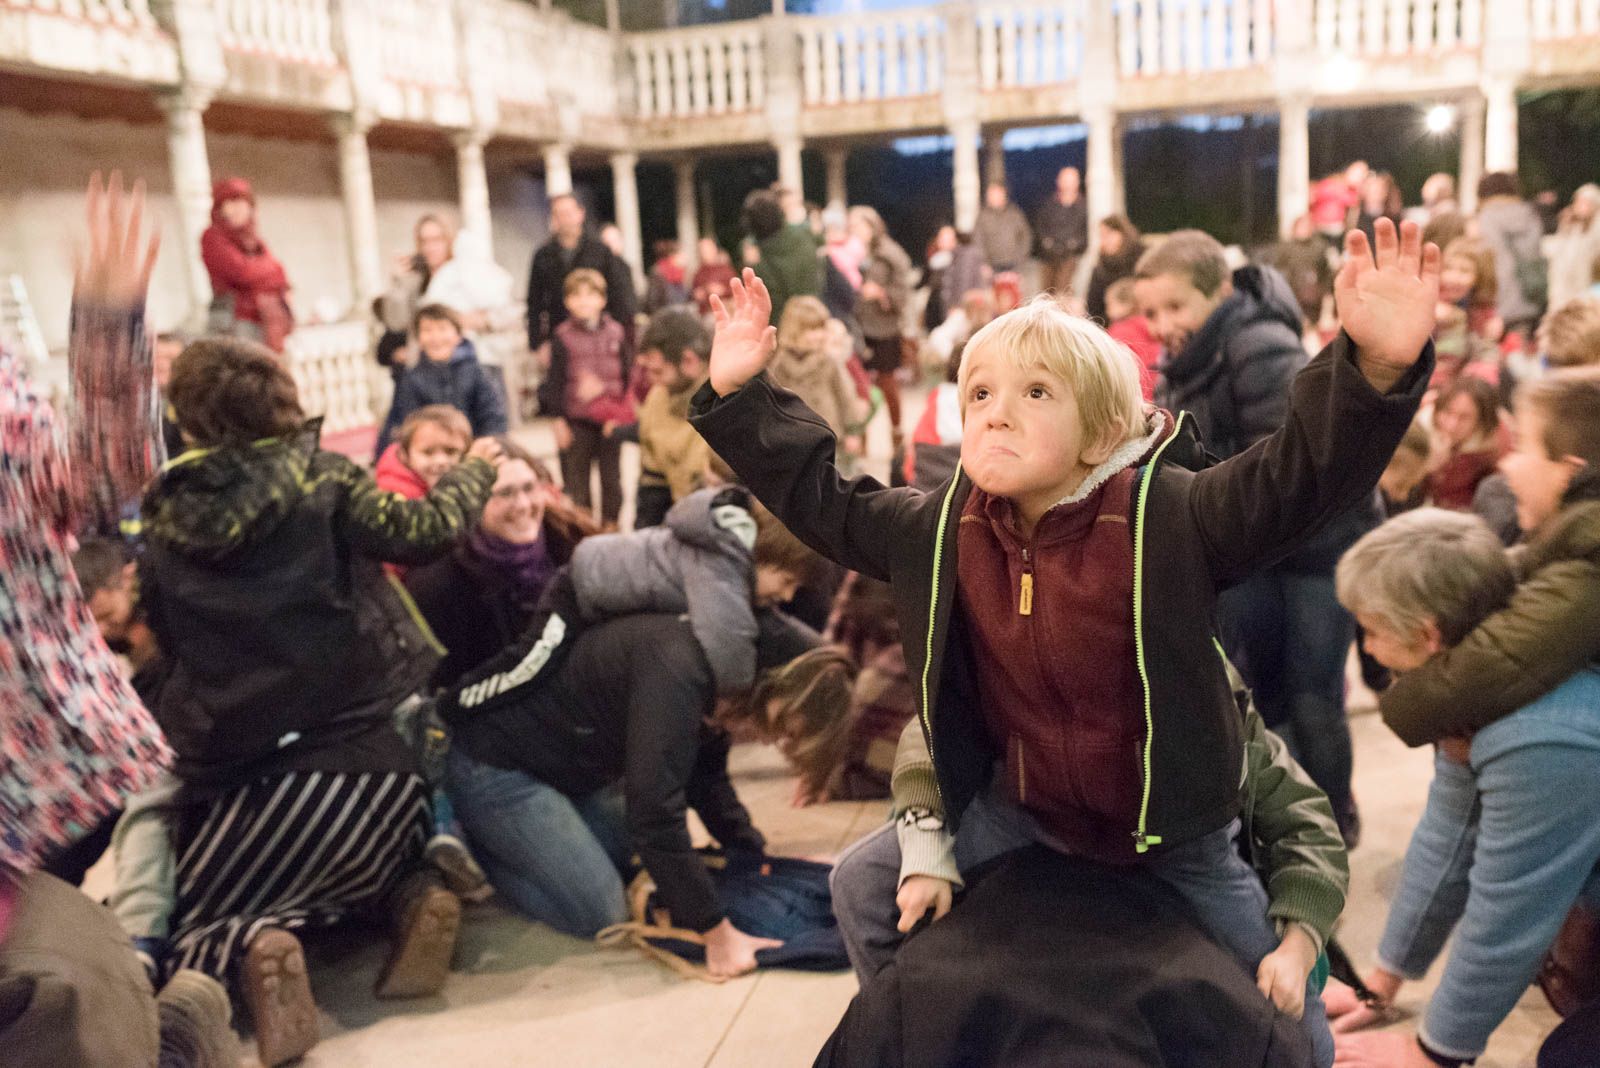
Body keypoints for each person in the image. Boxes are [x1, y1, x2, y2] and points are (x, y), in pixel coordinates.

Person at [690, 216, 1439, 1065]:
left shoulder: (1172, 515)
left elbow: (1296, 478)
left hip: (1174, 840)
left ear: (1098, 432)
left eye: (1035, 393)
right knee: (862, 885)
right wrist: (745, 400)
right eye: (979, 394)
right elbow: (824, 498)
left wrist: (1373, 370)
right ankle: (915, 1035)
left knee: (1286, 1009)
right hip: (1024, 812)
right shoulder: (941, 528)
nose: (996, 413)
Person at [138, 335, 501, 1065]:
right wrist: (471, 475)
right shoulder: (325, 478)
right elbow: (424, 530)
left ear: (192, 418)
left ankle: (256, 943)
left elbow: (163, 643)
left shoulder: (163, 515)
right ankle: (408, 894)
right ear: (280, 401)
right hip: (366, 774)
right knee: (407, 802)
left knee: (198, 909)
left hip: (240, 792)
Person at [3, 172, 228, 1068]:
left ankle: (160, 1031)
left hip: (38, 760)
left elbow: (101, 481)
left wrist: (107, 323)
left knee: (49, 1008)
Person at [1329, 476, 1600, 1067]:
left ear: (1427, 634)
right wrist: (1383, 982)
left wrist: (1434, 1053)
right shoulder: (1469, 696)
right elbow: (1445, 840)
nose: (1367, 649)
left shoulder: (1539, 733)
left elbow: (1511, 909)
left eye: (1372, 630)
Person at [407, 438, 594, 689]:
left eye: (529, 488)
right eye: (505, 493)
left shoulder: (573, 547)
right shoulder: (438, 584)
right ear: (473, 502)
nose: (523, 505)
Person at [1135, 229, 1305, 460]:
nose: (1162, 327)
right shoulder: (1177, 362)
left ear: (1222, 292)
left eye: (1175, 307)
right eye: (1150, 314)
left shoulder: (1261, 349)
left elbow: (1283, 465)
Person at [538, 268, 633, 527]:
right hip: (576, 420)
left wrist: (623, 415)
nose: (584, 302)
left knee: (611, 480)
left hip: (609, 421)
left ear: (602, 300)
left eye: (591, 295)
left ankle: (611, 527)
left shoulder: (617, 333)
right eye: (576, 296)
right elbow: (554, 383)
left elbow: (627, 375)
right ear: (567, 301)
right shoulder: (562, 337)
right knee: (577, 482)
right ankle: (584, 528)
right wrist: (558, 420)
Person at [377, 303, 507, 455]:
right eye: (428, 330)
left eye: (442, 329)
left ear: (458, 335)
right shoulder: (411, 379)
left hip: (474, 451)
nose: (435, 337)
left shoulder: (477, 372)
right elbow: (405, 423)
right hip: (431, 454)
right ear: (418, 338)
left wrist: (483, 448)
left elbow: (493, 418)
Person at [525, 193, 638, 360]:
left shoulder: (600, 251)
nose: (564, 219)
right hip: (560, 337)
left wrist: (620, 337)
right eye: (558, 214)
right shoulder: (543, 256)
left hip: (600, 337)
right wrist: (538, 343)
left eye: (568, 213)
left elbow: (619, 295)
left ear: (580, 213)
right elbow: (535, 302)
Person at [421, 227, 520, 412]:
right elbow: (431, 312)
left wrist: (486, 320)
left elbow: (510, 313)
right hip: (456, 360)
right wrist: (457, 321)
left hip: (490, 358)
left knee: (493, 410)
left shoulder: (496, 276)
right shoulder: (446, 277)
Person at [200, 177, 292, 353]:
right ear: (220, 208)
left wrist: (269, 272)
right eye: (231, 202)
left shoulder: (254, 241)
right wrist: (270, 270)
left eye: (241, 202)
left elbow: (280, 275)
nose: (237, 209)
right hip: (235, 323)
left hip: (264, 321)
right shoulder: (212, 237)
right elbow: (242, 273)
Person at [769, 296, 867, 456]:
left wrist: (853, 430)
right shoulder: (780, 364)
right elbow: (774, 400)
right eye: (812, 330)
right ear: (794, 330)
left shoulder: (828, 361)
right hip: (793, 437)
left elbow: (845, 396)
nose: (819, 335)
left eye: (822, 328)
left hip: (828, 434)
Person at [849, 206, 913, 450]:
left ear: (872, 226)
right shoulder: (850, 253)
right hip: (859, 327)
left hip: (885, 327)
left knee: (888, 383)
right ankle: (861, 437)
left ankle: (896, 435)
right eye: (851, 226)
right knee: (860, 384)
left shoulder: (890, 253)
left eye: (859, 226)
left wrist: (881, 293)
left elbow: (902, 290)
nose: (854, 231)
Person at [1476, 171, 1549, 341]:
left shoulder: (1489, 217)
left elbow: (1498, 265)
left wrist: (1500, 311)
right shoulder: (1530, 215)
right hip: (1532, 300)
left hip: (1500, 307)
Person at [378, 213, 454, 373]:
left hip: (459, 364)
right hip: (425, 368)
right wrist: (398, 282)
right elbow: (396, 322)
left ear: (448, 240)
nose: (430, 248)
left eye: (436, 240)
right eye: (424, 241)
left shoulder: (462, 274)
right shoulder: (416, 281)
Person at [1425, 377, 1508, 511]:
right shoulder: (1418, 431)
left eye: (1464, 418)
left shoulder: (1492, 453)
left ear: (1481, 422)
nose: (1452, 425)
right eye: (1447, 412)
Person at [743, 188, 822, 327]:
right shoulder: (804, 235)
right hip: (811, 315)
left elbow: (768, 294)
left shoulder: (754, 252)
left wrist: (753, 265)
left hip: (780, 324)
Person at [1258, 214, 1336, 335]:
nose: (1304, 230)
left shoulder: (1319, 248)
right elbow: (1278, 270)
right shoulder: (1286, 248)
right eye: (1301, 226)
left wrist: (1323, 293)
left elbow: (1325, 272)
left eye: (1306, 226)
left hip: (1313, 296)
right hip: (1292, 292)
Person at [375, 404, 472, 499]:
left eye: (450, 451)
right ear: (405, 454)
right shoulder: (395, 496)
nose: (440, 461)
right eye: (428, 452)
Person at [1033, 166, 1089, 296]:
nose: (1067, 185)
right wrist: (1047, 243)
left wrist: (1074, 244)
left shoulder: (1083, 206)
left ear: (1077, 183)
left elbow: (1085, 232)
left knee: (1063, 292)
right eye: (1064, 180)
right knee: (1045, 294)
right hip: (1049, 256)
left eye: (1071, 181)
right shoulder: (1049, 205)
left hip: (1071, 256)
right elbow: (1040, 227)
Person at [1103, 278, 1160, 402]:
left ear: (1124, 304)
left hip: (1134, 398)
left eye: (1110, 304)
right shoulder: (1152, 327)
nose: (1107, 311)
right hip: (1156, 396)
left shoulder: (1119, 332)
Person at [1083, 214, 1146, 325]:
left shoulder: (1143, 259)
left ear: (1122, 233)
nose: (1105, 240)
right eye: (1101, 236)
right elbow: (1093, 309)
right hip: (1113, 327)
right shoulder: (1100, 269)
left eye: (1109, 234)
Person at [1549, 184, 1600, 312]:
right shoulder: (1571, 229)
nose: (1580, 206)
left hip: (1586, 293)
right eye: (1579, 201)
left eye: (1586, 202)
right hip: (1563, 294)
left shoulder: (1596, 231)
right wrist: (1565, 225)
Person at [973, 182, 1032, 274]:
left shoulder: (1015, 214)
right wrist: (984, 263)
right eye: (991, 195)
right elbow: (978, 241)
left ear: (1004, 195)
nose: (993, 198)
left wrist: (1021, 259)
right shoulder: (982, 217)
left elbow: (1026, 237)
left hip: (1014, 265)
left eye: (997, 194)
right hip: (992, 267)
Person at [1310, 161, 1368, 239]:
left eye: (1362, 175)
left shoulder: (1355, 193)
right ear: (1349, 171)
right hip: (1319, 227)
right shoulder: (1331, 183)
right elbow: (1313, 198)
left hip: (1337, 231)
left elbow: (1353, 216)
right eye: (1357, 173)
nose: (1359, 177)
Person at [1351, 171, 1404, 248]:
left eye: (1379, 189)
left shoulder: (1393, 218)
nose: (1375, 193)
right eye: (1371, 189)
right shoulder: (1355, 216)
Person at [645, 239, 691, 314]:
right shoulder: (659, 272)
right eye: (682, 255)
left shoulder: (683, 274)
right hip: (665, 319)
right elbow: (652, 302)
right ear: (673, 256)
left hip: (681, 317)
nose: (686, 258)